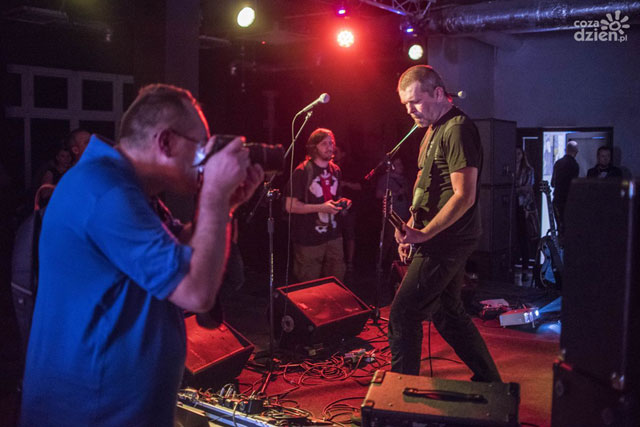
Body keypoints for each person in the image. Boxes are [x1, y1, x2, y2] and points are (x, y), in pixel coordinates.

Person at [19, 84, 264, 426]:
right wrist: (215, 195)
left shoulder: (125, 187)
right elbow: (195, 292)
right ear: (165, 142)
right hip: (92, 413)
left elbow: (183, 247)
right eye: (200, 149)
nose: (205, 160)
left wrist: (227, 203)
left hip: (115, 408)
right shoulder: (107, 191)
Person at [389, 65, 501, 382]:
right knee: (447, 312)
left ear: (438, 93)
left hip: (448, 240)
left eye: (415, 101)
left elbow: (464, 195)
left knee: (404, 313)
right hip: (438, 237)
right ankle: (489, 380)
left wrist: (424, 234)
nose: (410, 110)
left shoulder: (457, 129)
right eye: (405, 104)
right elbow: (426, 186)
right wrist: (411, 227)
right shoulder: (431, 131)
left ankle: (399, 398)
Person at [285, 128, 351, 283]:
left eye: (331, 143)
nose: (329, 147)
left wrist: (343, 203)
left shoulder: (336, 170)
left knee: (335, 281)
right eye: (324, 144)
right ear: (314, 147)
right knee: (309, 284)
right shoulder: (302, 171)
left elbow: (335, 197)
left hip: (334, 235)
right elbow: (290, 206)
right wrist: (322, 208)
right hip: (309, 238)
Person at [514, 147, 539, 284]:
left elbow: (528, 188)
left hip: (523, 207)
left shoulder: (528, 170)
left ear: (523, 155)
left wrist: (516, 190)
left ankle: (525, 268)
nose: (517, 156)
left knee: (524, 238)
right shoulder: (510, 169)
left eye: (519, 153)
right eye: (515, 154)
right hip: (512, 206)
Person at [551, 140, 579, 239]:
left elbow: (552, 183)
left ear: (565, 150)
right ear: (576, 152)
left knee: (560, 227)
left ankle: (559, 245)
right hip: (569, 201)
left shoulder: (558, 163)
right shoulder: (575, 165)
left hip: (557, 200)